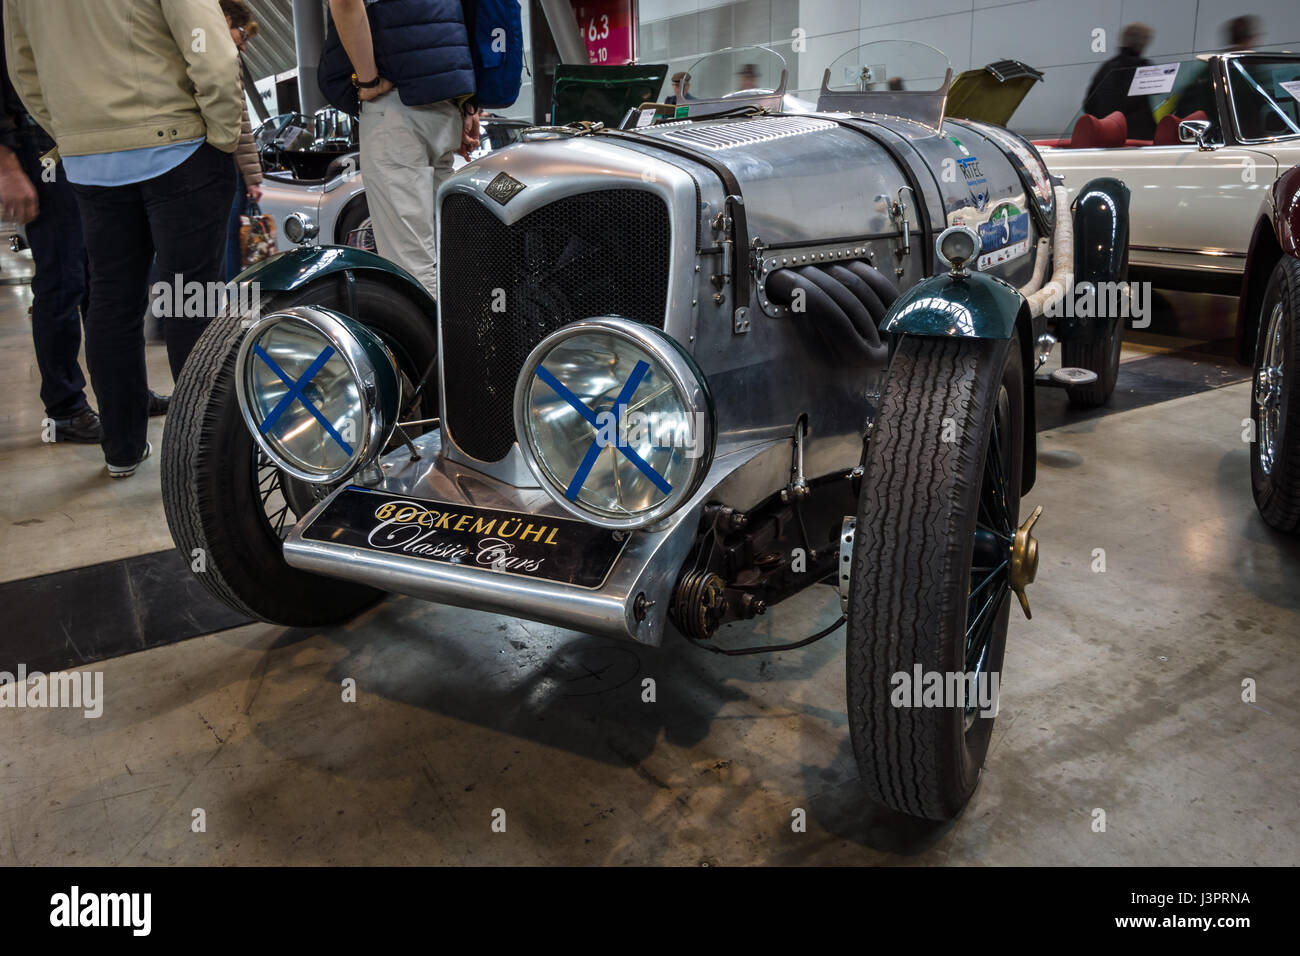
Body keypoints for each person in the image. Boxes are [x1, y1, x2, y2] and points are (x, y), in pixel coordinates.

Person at [4, 0, 241, 478]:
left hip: (91, 161)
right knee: (189, 299)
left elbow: (22, 67)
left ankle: (122, 447)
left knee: (112, 302)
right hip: (178, 144)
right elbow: (211, 52)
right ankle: (206, 456)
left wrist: (73, 136)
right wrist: (222, 132)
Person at [328, 0, 480, 297]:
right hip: (446, 101)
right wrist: (469, 105)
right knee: (450, 260)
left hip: (395, 106)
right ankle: (468, 340)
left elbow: (345, 3)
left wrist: (367, 78)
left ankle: (434, 345)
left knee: (410, 267)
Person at [0, 17, 97, 443]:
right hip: (36, 146)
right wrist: (6, 167)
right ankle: (65, 408)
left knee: (104, 279)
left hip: (80, 140)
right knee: (62, 280)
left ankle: (120, 391)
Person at [220, 0, 264, 282]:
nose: (244, 46)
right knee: (229, 246)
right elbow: (239, 121)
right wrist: (252, 178)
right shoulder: (225, 57)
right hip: (226, 167)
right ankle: (227, 314)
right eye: (243, 35)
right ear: (225, 21)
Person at [1083, 22, 1156, 140]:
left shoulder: (1106, 67)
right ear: (1142, 43)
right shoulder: (1142, 67)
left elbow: (1089, 104)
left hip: (1106, 137)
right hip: (1137, 140)